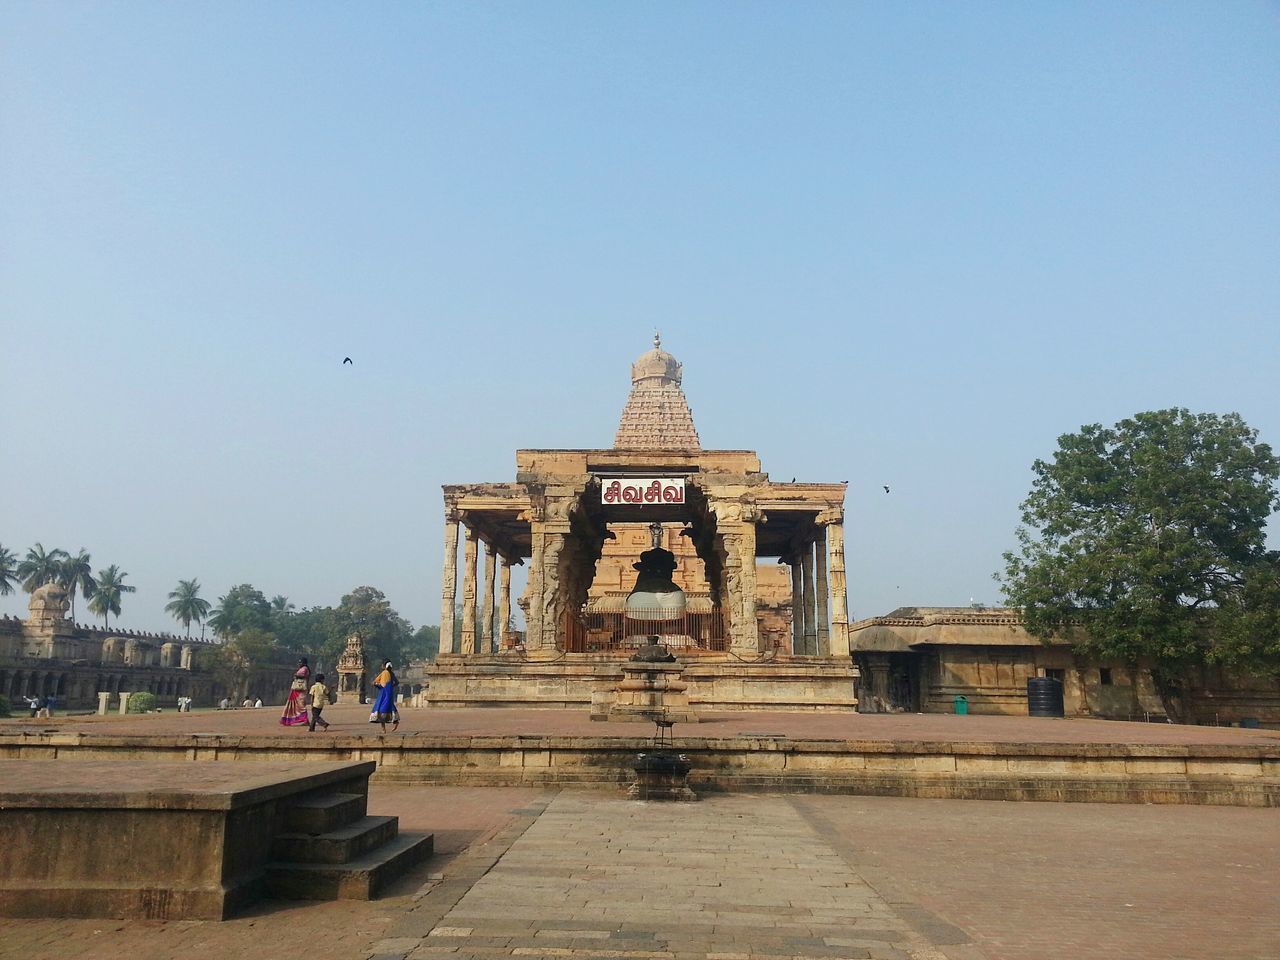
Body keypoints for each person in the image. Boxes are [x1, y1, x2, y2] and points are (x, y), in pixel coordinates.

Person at [368, 661, 400, 733]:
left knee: (381, 710)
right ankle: (395, 723)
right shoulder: (391, 674)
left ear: (385, 666)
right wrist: (391, 686)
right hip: (389, 693)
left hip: (383, 693)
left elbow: (380, 684)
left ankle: (383, 729)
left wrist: (375, 684)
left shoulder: (384, 673)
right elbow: (396, 682)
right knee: (390, 708)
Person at [280, 657, 310, 727]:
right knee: (296, 705)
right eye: (299, 662)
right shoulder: (303, 669)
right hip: (297, 689)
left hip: (301, 690)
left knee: (301, 705)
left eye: (301, 662)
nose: (299, 664)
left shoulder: (305, 669)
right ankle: (304, 720)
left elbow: (303, 676)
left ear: (304, 663)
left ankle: (305, 720)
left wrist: (296, 675)